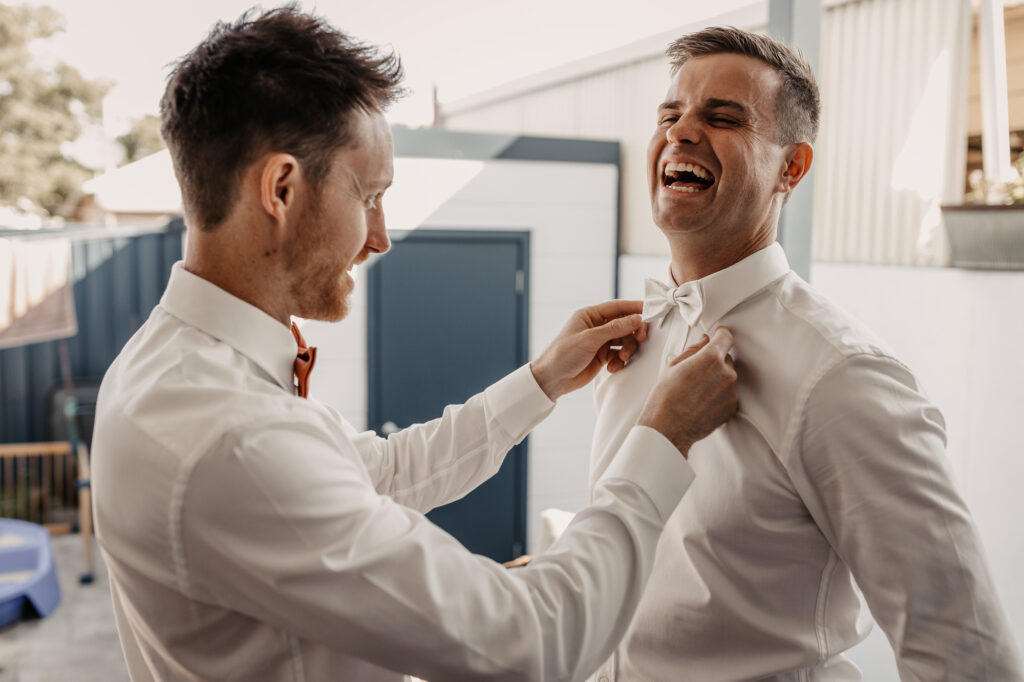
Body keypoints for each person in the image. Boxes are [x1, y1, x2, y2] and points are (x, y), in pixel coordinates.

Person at [89, 7, 741, 682]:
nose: (380, 237)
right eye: (368, 195)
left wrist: (541, 380)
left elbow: (385, 476)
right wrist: (661, 438)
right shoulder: (233, 439)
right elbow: (532, 641)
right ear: (281, 189)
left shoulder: (165, 366)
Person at [586, 26, 1024, 682]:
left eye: (722, 117)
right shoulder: (630, 340)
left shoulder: (845, 377)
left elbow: (967, 655)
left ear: (791, 168)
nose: (680, 132)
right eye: (670, 115)